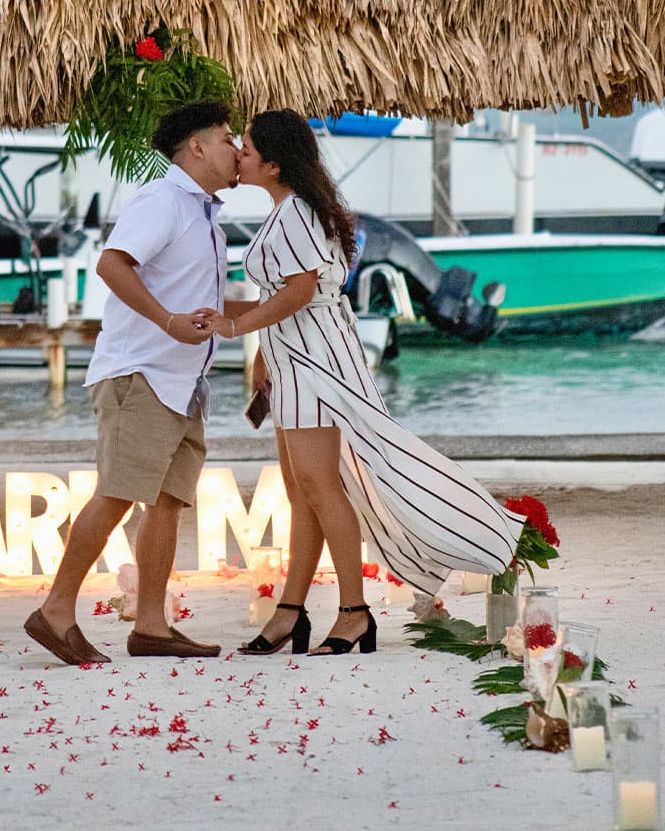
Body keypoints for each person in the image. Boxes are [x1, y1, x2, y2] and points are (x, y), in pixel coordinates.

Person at [209, 109, 525, 656]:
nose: (238, 153)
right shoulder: (292, 210)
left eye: (248, 149)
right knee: (303, 493)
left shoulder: (294, 216)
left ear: (274, 165)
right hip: (299, 361)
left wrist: (237, 326)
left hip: (314, 366)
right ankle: (291, 610)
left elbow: (301, 291)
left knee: (321, 488)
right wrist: (256, 346)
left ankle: (354, 612)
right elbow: (286, 297)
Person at [24, 100, 239, 663]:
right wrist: (168, 321)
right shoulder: (162, 200)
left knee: (166, 501)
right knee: (119, 492)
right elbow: (111, 264)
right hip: (141, 373)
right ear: (196, 146)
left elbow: (205, 298)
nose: (236, 148)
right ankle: (55, 611)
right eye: (226, 138)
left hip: (181, 380)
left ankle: (150, 625)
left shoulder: (203, 213)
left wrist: (281, 306)